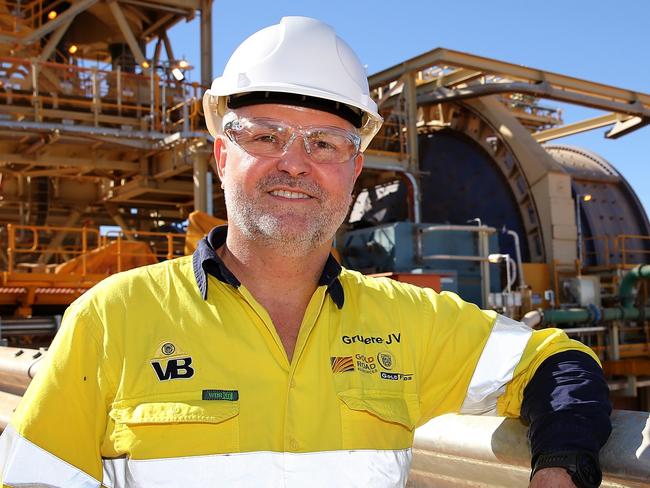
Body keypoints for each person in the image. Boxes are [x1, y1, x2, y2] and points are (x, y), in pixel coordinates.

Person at [0, 16, 610, 488]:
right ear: (220, 156)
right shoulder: (113, 320)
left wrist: (559, 463)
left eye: (324, 143)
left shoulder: (408, 323)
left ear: (354, 170)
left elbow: (556, 361)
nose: (294, 163)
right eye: (266, 137)